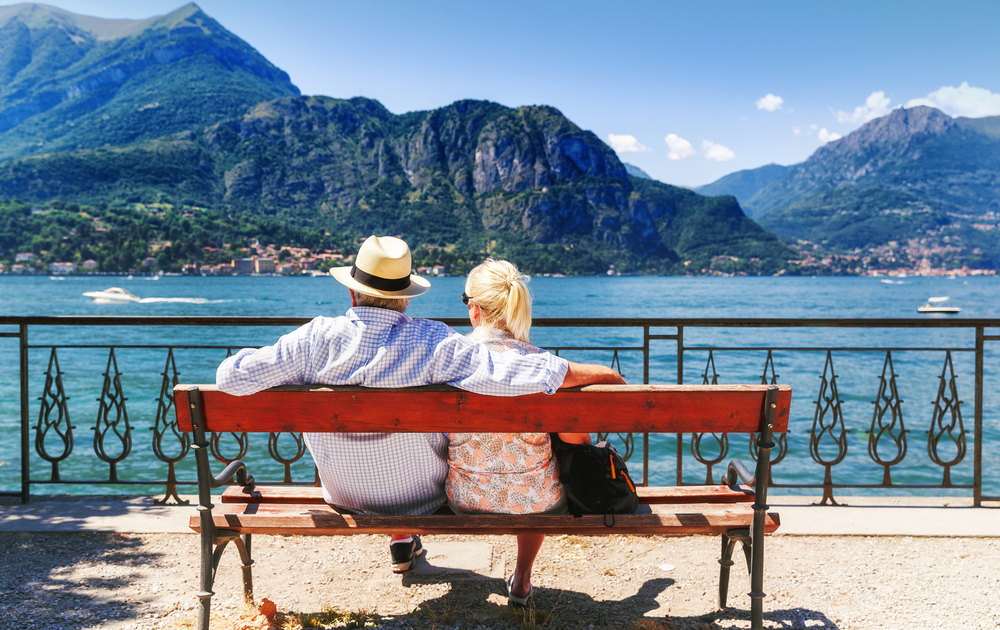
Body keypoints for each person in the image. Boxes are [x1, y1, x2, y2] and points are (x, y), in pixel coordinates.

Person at [215, 236, 625, 574]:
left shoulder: (312, 339)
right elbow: (511, 373)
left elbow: (229, 378)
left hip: (339, 493)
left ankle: (400, 540)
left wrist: (286, 360)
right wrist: (596, 373)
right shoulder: (431, 342)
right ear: (406, 298)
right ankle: (407, 533)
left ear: (352, 290)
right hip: (421, 500)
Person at [446, 258, 604, 606]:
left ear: (474, 309)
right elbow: (590, 423)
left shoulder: (446, 360)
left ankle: (403, 543)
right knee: (538, 475)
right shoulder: (544, 365)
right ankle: (522, 581)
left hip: (464, 499)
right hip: (537, 503)